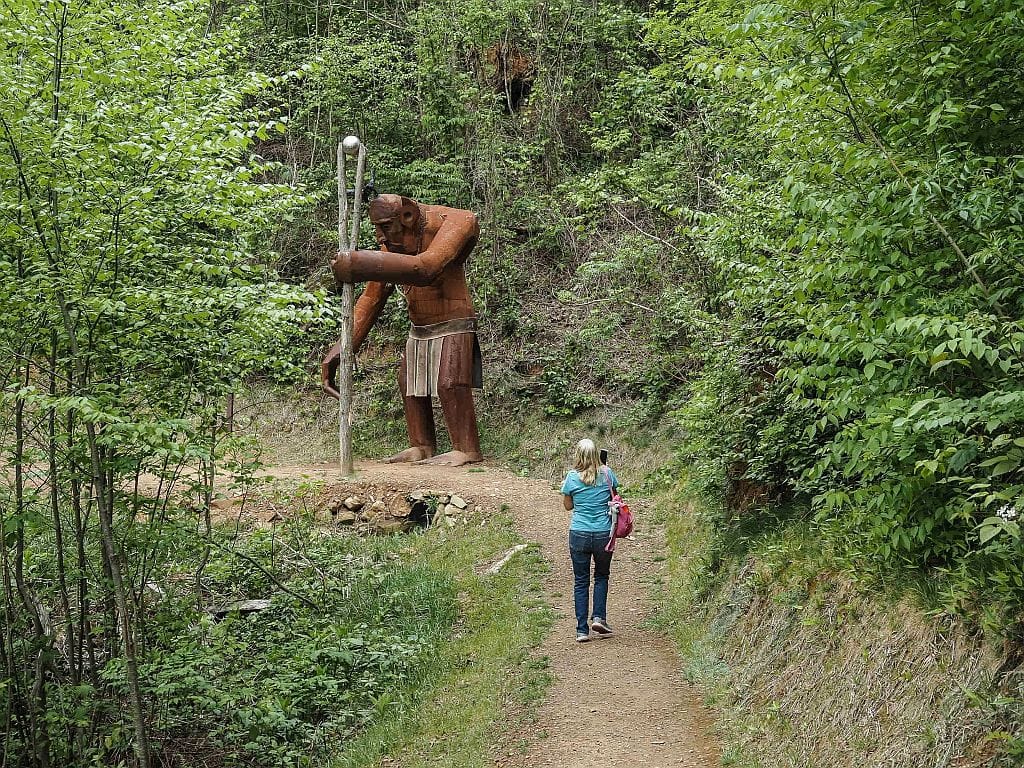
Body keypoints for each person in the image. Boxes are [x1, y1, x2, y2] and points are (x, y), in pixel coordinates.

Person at [321, 194, 484, 466]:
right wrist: (343, 347)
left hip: (453, 321)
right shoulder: (393, 245)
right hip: (419, 326)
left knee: (450, 383)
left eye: (385, 226)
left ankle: (466, 448)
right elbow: (372, 298)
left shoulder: (457, 221)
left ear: (407, 216)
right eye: (377, 228)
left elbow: (426, 268)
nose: (380, 236)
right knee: (408, 384)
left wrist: (358, 263)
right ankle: (421, 445)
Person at [561, 438, 618, 643]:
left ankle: (581, 630)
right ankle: (599, 618)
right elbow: (614, 498)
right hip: (604, 533)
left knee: (581, 580)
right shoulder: (607, 474)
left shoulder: (571, 478)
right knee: (602, 576)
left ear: (578, 455)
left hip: (579, 533)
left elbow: (568, 506)